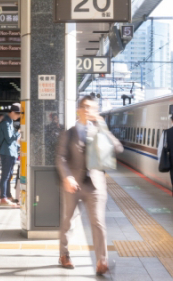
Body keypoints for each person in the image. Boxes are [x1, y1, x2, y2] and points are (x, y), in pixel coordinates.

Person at [56, 96, 123, 275]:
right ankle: (64, 254)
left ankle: (102, 261)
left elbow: (118, 149)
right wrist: (67, 177)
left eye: (92, 108)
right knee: (68, 221)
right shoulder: (69, 133)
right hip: (73, 184)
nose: (87, 110)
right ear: (78, 110)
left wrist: (103, 126)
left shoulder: (100, 131)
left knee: (98, 222)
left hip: (95, 184)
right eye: (84, 107)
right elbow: (61, 158)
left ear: (96, 111)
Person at [0, 104, 21, 207]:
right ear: (11, 112)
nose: (18, 116)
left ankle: (8, 195)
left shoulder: (9, 122)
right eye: (17, 113)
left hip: (11, 152)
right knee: (5, 175)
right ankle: (3, 198)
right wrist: (18, 132)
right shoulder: (6, 123)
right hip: (6, 152)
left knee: (9, 175)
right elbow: (9, 139)